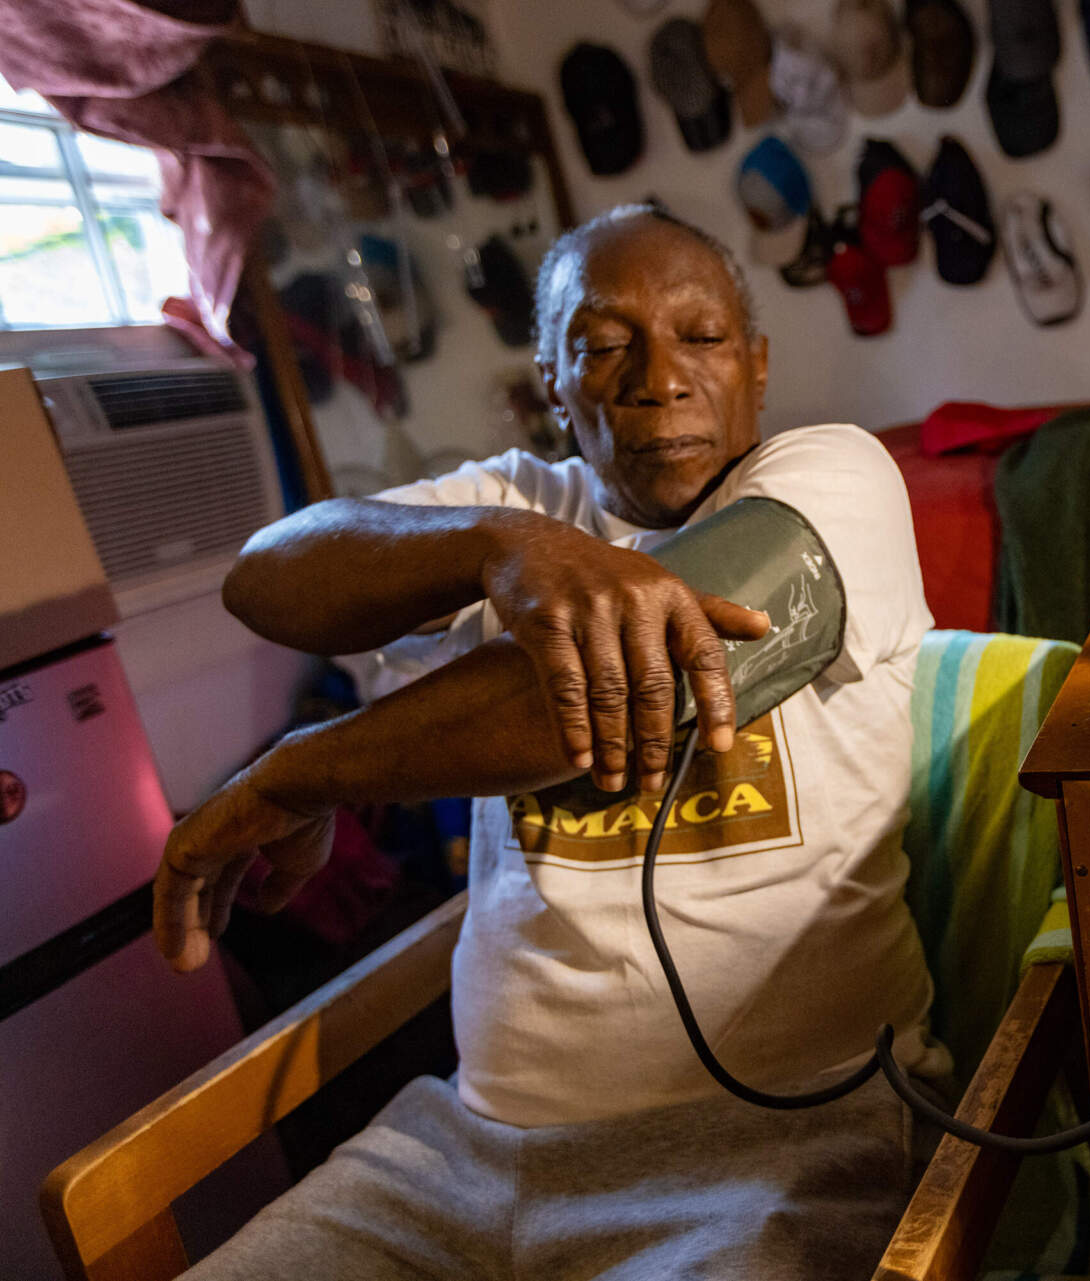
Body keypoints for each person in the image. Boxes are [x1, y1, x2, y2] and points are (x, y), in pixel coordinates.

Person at [157, 204, 945, 1279]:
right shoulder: (524, 508)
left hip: (777, 1151)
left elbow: (631, 683)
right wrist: (499, 542)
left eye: (700, 338)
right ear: (552, 381)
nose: (658, 376)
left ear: (756, 366)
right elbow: (266, 576)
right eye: (606, 343)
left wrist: (303, 773)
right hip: (458, 1153)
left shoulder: (835, 478)